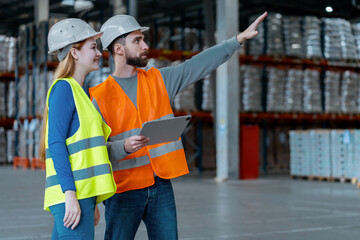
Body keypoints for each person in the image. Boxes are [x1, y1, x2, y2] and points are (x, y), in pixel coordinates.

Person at [89, 12, 267, 240]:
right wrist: (123, 147)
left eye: (143, 39)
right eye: (137, 40)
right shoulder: (99, 97)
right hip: (123, 190)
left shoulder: (159, 80)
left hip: (160, 185)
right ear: (118, 49)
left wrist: (236, 40)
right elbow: (95, 152)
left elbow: (198, 65)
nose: (145, 45)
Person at [39, 18, 116, 240]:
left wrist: (92, 199)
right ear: (74, 53)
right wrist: (71, 195)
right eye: (93, 47)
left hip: (82, 194)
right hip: (72, 195)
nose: (99, 53)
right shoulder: (65, 89)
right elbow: (55, 143)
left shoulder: (80, 91)